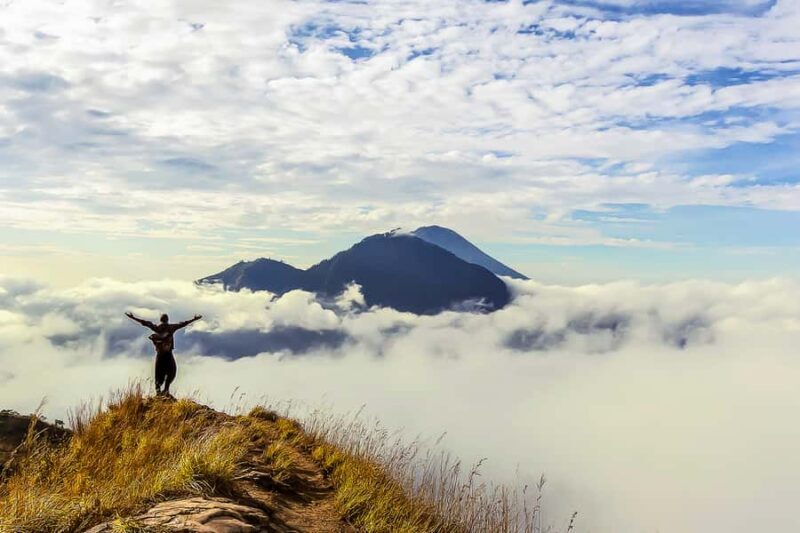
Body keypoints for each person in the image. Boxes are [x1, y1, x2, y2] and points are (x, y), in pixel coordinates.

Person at [125, 311, 202, 396]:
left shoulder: (157, 328)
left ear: (161, 320)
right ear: (167, 320)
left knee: (158, 375)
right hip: (168, 354)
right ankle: (166, 390)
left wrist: (133, 317)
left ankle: (158, 392)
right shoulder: (171, 327)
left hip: (160, 355)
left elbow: (145, 323)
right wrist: (194, 319)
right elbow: (183, 324)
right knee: (171, 372)